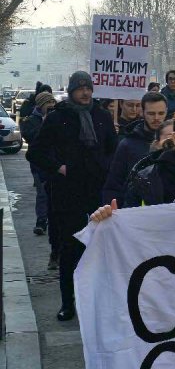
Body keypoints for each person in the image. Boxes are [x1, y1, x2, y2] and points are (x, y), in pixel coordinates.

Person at [25, 72, 117, 321]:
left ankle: (96, 301)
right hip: (68, 194)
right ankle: (68, 302)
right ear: (72, 91)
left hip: (97, 191)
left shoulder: (102, 116)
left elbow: (113, 148)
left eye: (88, 88)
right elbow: (35, 152)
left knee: (99, 248)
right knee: (70, 249)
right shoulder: (58, 117)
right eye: (80, 88)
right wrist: (59, 167)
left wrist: (105, 166)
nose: (85, 93)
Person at [103, 92, 169, 206]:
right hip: (134, 208)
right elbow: (114, 183)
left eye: (161, 113)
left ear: (166, 112)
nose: (157, 118)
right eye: (151, 113)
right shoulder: (127, 145)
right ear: (142, 112)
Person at [20, 91, 56, 241]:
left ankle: (53, 221)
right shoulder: (30, 121)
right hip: (39, 165)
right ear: (41, 105)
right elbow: (31, 137)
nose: (51, 106)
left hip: (55, 163)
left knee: (55, 194)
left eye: (53, 103)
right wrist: (46, 123)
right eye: (48, 104)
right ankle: (41, 221)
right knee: (42, 193)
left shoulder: (57, 118)